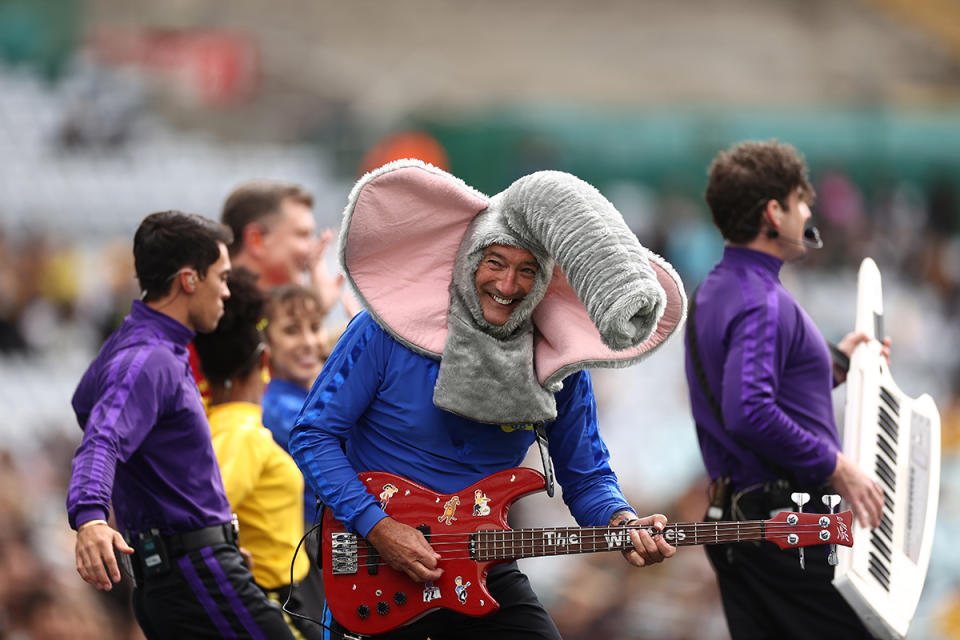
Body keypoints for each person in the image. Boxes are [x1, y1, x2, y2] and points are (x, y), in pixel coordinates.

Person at [288, 160, 689, 639]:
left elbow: (586, 475)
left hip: (484, 564)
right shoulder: (382, 332)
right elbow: (313, 435)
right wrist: (377, 525)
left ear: (544, 282)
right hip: (376, 565)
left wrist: (622, 520)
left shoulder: (557, 364)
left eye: (526, 271)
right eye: (494, 262)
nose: (507, 285)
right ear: (467, 260)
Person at [683, 140, 887, 639]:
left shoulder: (719, 286)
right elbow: (749, 409)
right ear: (774, 212)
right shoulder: (762, 300)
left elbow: (758, 383)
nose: (810, 212)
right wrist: (836, 467)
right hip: (785, 526)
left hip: (744, 526)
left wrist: (834, 363)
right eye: (802, 201)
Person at [66, 210, 295, 639]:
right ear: (189, 280)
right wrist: (91, 517)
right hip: (193, 569)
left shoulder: (137, 344)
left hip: (183, 567)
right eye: (222, 277)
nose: (226, 292)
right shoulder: (148, 357)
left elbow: (87, 404)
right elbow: (103, 435)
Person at [193, 268, 324, 640]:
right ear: (264, 353)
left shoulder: (302, 397)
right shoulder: (266, 414)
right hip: (292, 571)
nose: (308, 342)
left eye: (314, 328)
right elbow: (208, 508)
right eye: (291, 331)